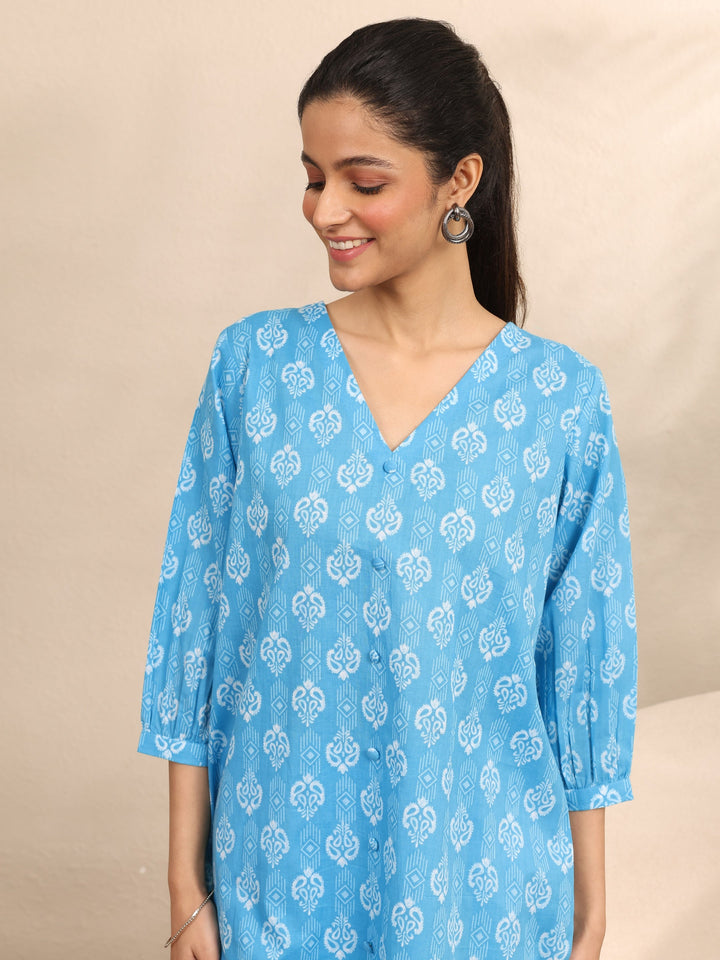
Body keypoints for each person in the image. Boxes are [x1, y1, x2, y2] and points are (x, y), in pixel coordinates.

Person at [138, 18, 637, 960]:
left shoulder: (559, 402)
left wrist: (591, 911)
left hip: (482, 893)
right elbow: (193, 633)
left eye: (363, 183)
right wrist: (184, 889)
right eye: (312, 177)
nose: (325, 210)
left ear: (461, 181)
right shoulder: (257, 368)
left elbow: (582, 667)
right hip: (276, 882)